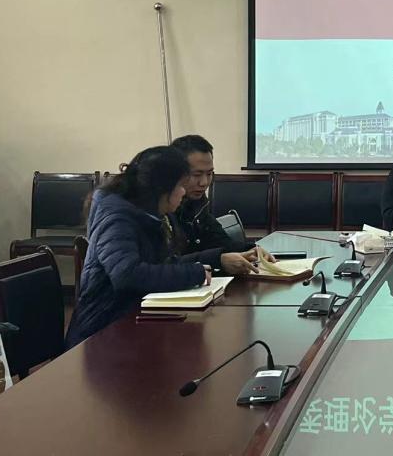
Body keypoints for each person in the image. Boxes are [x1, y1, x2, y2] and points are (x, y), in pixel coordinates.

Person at [65, 146, 210, 348]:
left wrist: (213, 262)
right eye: (180, 186)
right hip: (102, 334)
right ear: (162, 190)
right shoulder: (118, 218)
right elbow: (127, 275)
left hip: (132, 322)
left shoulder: (149, 214)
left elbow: (161, 265)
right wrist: (193, 274)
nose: (183, 192)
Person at [168, 134, 273, 275]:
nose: (204, 182)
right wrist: (218, 260)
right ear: (175, 173)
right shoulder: (162, 210)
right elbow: (164, 266)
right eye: (197, 175)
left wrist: (252, 250)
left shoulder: (198, 203)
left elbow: (222, 242)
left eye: (209, 174)